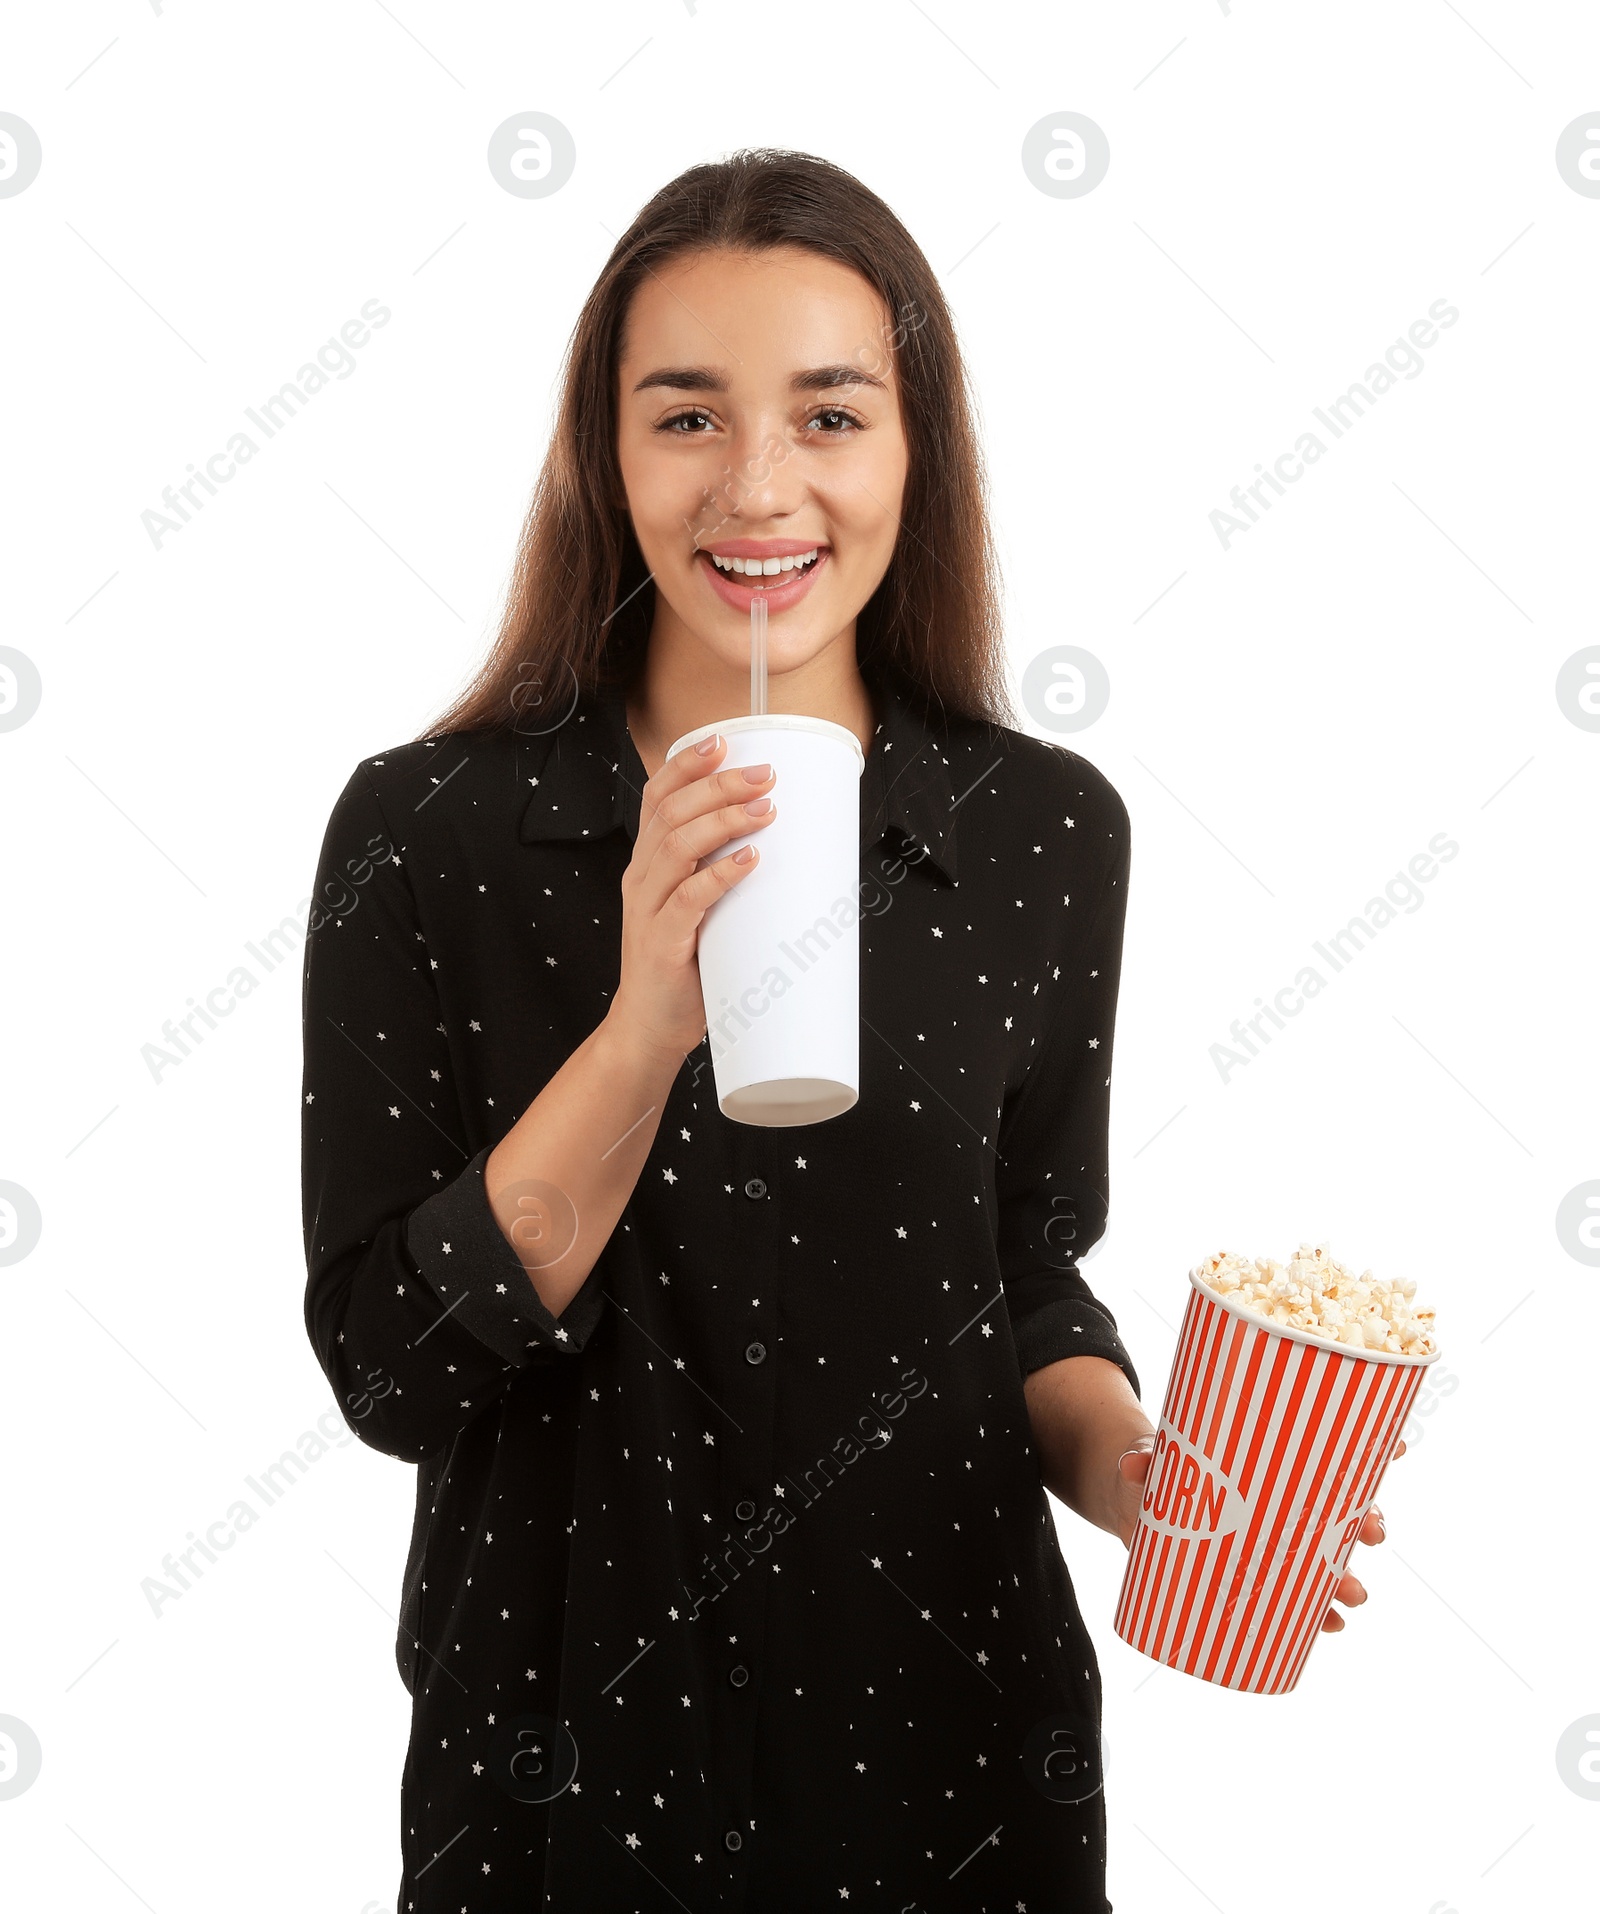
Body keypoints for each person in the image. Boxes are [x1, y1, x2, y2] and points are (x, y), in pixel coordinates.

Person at [300, 147, 1388, 1913]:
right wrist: (646, 1025)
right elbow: (389, 1363)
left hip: (952, 1758)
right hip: (560, 1773)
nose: (759, 486)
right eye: (685, 417)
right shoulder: (429, 834)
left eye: (828, 414)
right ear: (603, 454)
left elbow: (1021, 1261)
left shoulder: (1046, 832)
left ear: (912, 450)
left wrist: (1148, 1477)